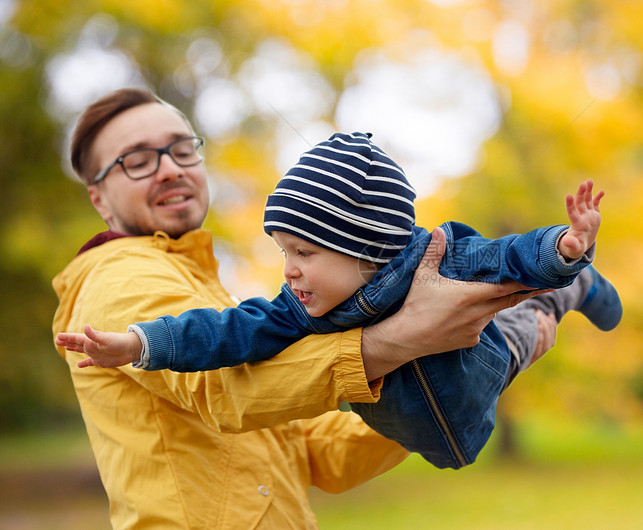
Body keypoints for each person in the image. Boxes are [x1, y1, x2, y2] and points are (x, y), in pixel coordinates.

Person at [51, 88, 562, 528]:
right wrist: (405, 337)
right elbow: (225, 393)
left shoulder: (203, 287)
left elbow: (323, 454)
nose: (168, 168)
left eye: (182, 150)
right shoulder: (119, 277)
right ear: (100, 199)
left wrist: (454, 377)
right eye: (137, 160)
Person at [57, 131, 622, 470]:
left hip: (484, 367)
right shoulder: (297, 309)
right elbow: (222, 332)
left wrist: (564, 246)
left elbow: (508, 254)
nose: (288, 271)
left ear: (364, 245)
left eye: (303, 252)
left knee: (530, 310)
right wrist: (139, 342)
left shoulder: (441, 256)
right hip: (440, 434)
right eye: (282, 252)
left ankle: (576, 285)